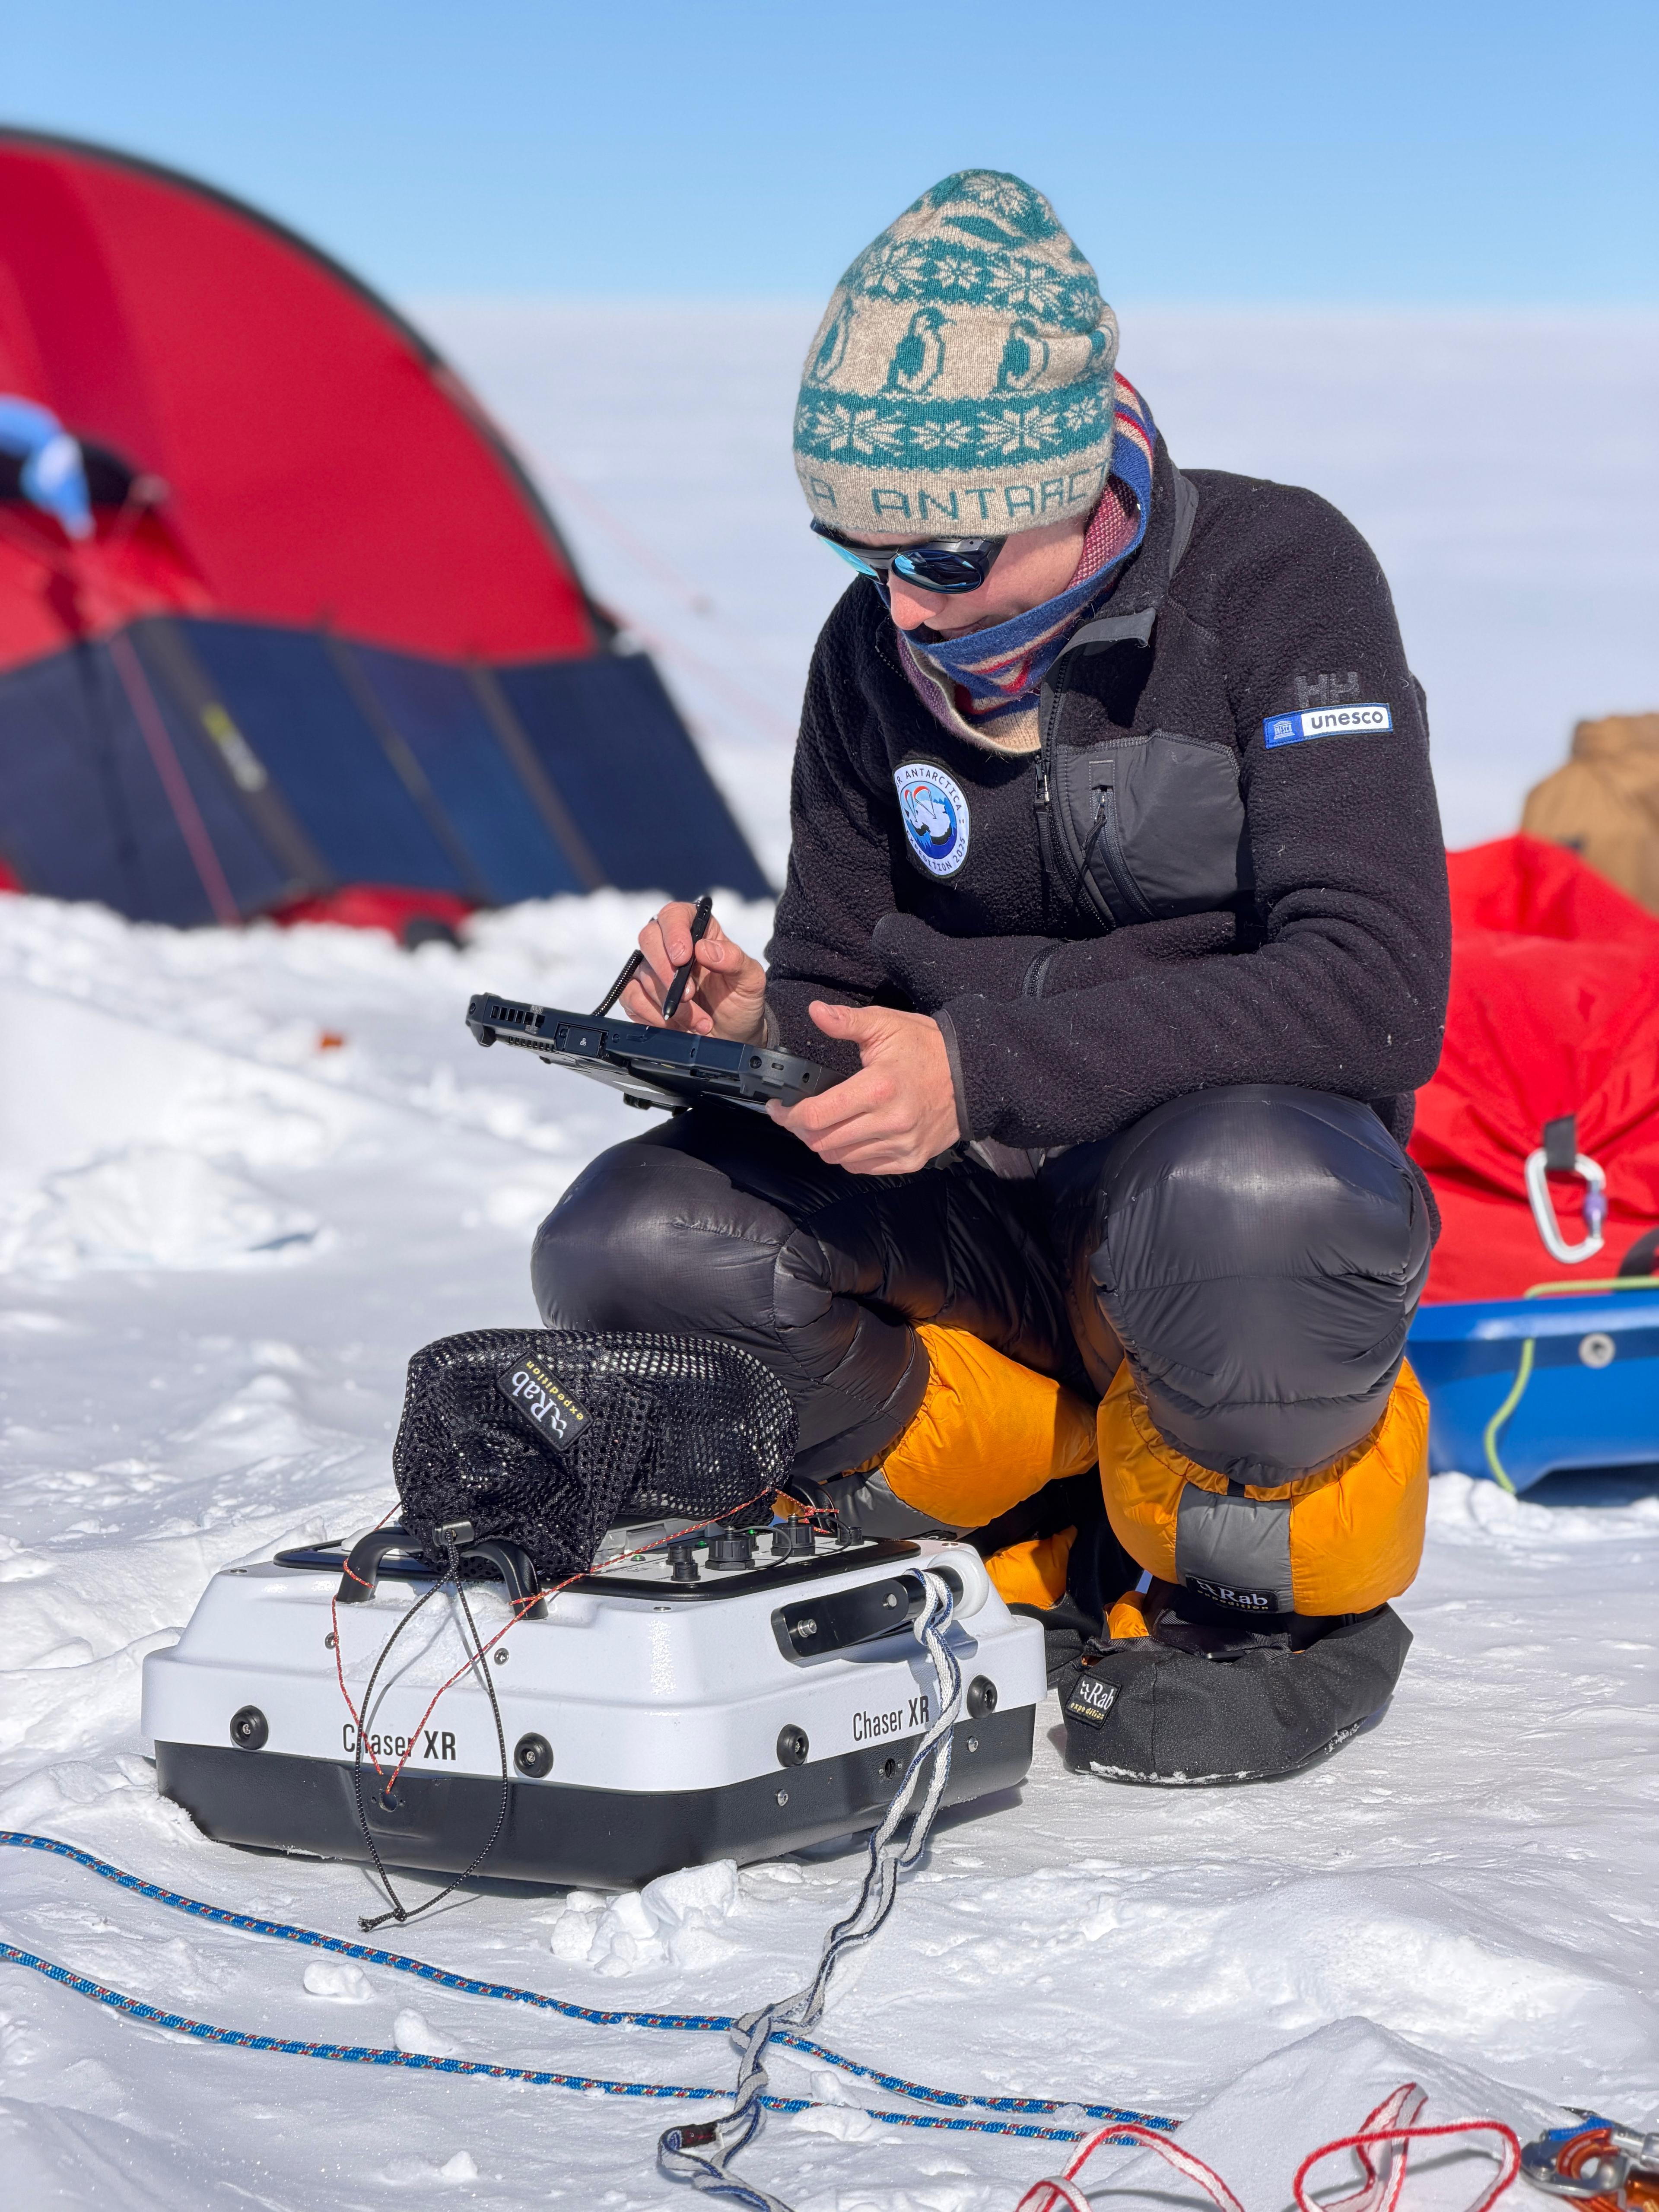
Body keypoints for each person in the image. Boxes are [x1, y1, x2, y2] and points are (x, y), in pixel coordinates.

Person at [532, 172, 1449, 1771]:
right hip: (986, 1237)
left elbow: (1370, 986)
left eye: (943, 554)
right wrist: (759, 1024)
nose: (902, 601)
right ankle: (1025, 1494)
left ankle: (1259, 1598)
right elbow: (843, 976)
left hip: (1206, 1213)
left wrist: (985, 1068)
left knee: (1247, 1203)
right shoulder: (871, 649)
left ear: (1077, 477)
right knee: (632, 1242)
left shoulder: (1279, 580)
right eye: (858, 548)